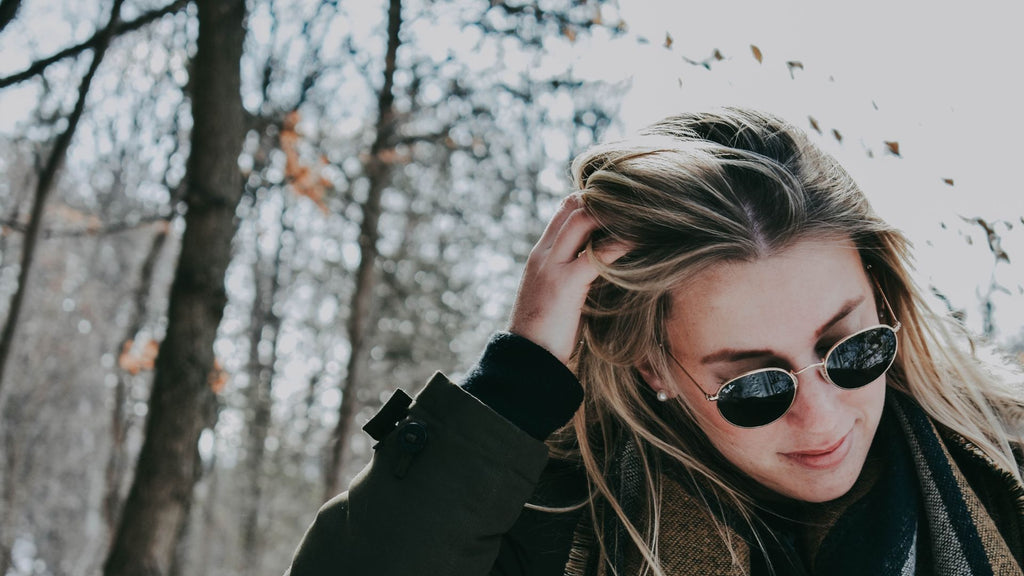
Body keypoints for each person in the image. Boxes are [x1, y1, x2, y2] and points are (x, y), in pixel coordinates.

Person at [285, 108, 1024, 575]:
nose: (824, 418)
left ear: (884, 301)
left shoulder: (1005, 469)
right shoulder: (551, 526)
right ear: (654, 369)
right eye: (755, 388)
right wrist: (517, 383)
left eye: (852, 350)